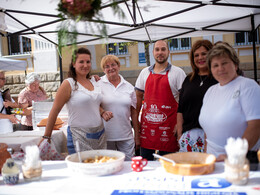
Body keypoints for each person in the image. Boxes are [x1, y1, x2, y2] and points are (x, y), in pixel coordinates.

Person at [41, 47, 113, 154]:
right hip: (79, 136)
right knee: (82, 168)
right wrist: (47, 136)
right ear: (74, 64)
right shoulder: (68, 83)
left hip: (100, 134)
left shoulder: (94, 81)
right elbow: (55, 110)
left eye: (88, 62)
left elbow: (91, 103)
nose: (85, 65)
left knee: (100, 167)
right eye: (81, 62)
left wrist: (102, 112)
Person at [199, 42, 260, 161]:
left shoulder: (248, 86)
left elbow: (256, 125)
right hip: (213, 161)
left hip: (239, 162)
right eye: (215, 65)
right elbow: (209, 130)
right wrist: (207, 158)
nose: (220, 68)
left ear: (235, 65)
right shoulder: (210, 91)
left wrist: (234, 155)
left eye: (224, 63)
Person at [135, 40, 186, 160]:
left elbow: (185, 101)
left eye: (163, 49)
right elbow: (137, 97)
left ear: (168, 51)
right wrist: (136, 122)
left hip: (169, 132)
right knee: (146, 167)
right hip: (147, 131)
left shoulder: (178, 73)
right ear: (153, 52)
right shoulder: (144, 73)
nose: (160, 52)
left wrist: (179, 125)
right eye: (157, 49)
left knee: (168, 168)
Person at [176, 40, 217, 152]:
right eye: (196, 55)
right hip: (188, 137)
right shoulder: (188, 80)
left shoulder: (218, 79)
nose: (200, 58)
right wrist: (179, 135)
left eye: (204, 54)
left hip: (211, 138)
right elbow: (180, 109)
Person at [99, 55, 140, 160]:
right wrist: (102, 111)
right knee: (108, 166)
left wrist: (137, 135)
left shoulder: (129, 87)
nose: (111, 68)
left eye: (113, 64)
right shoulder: (98, 84)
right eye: (107, 66)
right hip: (105, 136)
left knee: (128, 166)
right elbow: (92, 105)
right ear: (103, 70)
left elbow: (134, 113)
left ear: (118, 66)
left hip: (126, 136)